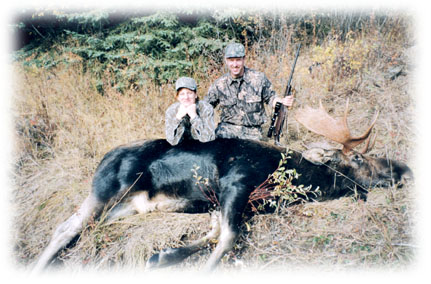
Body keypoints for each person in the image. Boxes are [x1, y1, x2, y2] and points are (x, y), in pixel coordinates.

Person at [204, 42, 294, 140]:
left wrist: (282, 102)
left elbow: (272, 98)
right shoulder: (219, 84)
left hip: (252, 133)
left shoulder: (258, 79)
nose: (235, 65)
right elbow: (205, 106)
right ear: (226, 61)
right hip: (226, 131)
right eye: (231, 60)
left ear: (244, 59)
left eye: (238, 60)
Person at [165, 77, 216, 146]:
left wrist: (194, 116)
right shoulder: (171, 110)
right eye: (182, 94)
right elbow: (172, 141)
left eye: (189, 93)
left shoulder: (206, 108)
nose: (186, 97)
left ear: (195, 95)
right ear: (177, 97)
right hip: (180, 149)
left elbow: (208, 139)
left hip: (202, 148)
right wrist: (178, 118)